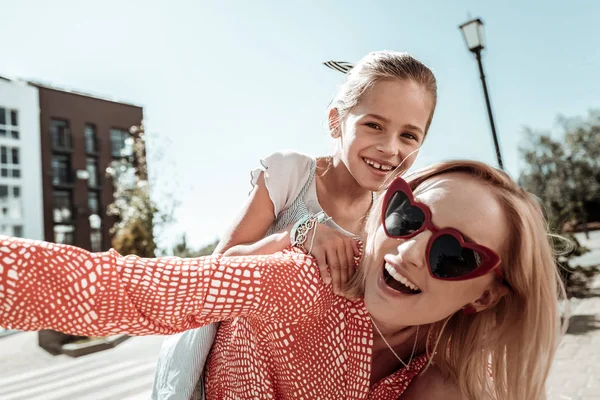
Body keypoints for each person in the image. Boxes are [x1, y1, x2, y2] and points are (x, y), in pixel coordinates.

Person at [0, 160, 565, 399]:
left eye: (453, 255)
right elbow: (123, 288)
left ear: (486, 295)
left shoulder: (454, 365)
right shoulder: (302, 280)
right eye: (407, 214)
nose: (411, 250)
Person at [153, 50, 438, 399]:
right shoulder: (291, 175)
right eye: (374, 125)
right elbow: (220, 267)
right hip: (239, 367)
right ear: (336, 121)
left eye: (409, 136)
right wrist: (299, 233)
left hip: (308, 377)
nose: (389, 148)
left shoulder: (391, 217)